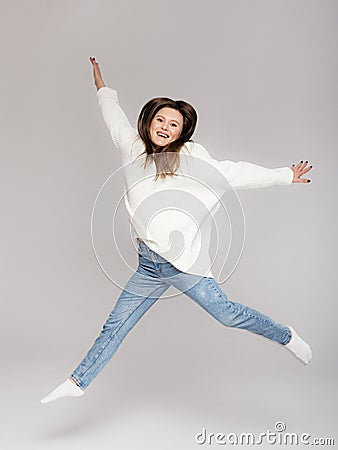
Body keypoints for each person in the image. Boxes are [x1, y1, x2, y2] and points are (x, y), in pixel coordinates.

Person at [40, 57, 313, 404]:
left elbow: (233, 173)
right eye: (161, 120)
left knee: (227, 314)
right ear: (149, 122)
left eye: (175, 124)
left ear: (182, 131)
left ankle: (285, 335)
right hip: (148, 264)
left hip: (184, 264)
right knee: (115, 325)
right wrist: (101, 84)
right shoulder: (133, 146)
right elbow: (114, 116)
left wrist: (284, 175)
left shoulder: (191, 158)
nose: (166, 127)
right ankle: (77, 382)